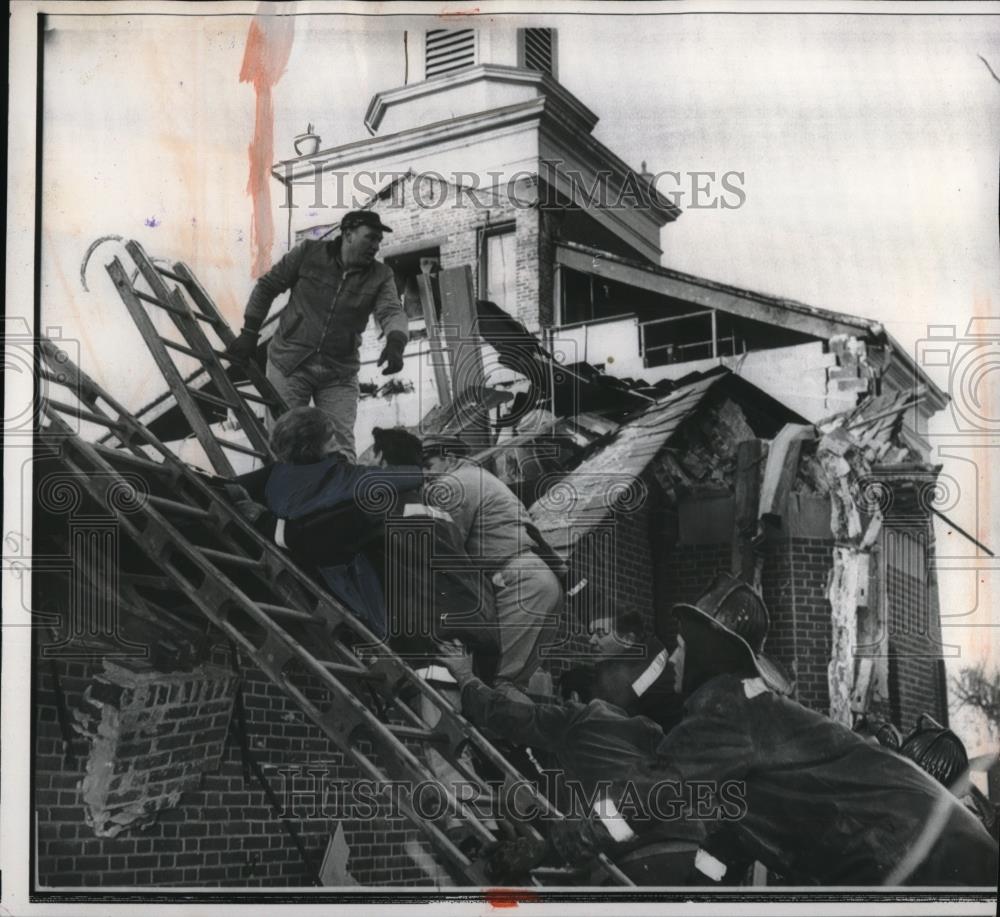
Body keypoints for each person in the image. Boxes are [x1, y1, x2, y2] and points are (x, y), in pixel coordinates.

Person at [548, 572, 1000, 886]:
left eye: (683, 647)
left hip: (916, 856)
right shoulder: (755, 727)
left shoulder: (728, 704)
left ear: (708, 652)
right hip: (937, 850)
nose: (675, 659)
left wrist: (570, 839)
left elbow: (653, 792)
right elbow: (727, 846)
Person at [373, 428, 564, 696]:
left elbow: (448, 552)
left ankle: (484, 737)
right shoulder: (481, 478)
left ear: (449, 458)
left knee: (491, 682)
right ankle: (511, 738)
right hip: (539, 581)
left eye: (429, 465)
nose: (425, 474)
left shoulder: (451, 485)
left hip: (517, 582)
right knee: (513, 682)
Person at [226, 210, 408, 462]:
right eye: (370, 238)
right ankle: (286, 497)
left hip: (339, 371)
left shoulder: (381, 275)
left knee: (341, 444)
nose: (376, 246)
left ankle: (338, 497)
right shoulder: (308, 253)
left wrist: (396, 342)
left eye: (379, 240)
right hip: (290, 363)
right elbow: (267, 286)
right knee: (285, 441)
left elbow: (391, 311)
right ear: (348, 234)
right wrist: (249, 332)